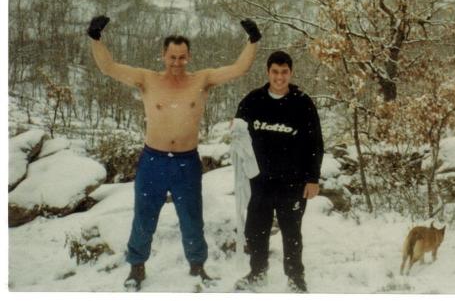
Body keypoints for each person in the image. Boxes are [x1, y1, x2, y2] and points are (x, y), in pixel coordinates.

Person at [87, 15, 261, 291]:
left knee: (192, 218)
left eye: (182, 57)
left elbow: (239, 68)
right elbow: (108, 67)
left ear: (188, 57)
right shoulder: (147, 79)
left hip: (186, 162)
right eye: (172, 57)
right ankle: (136, 267)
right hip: (153, 161)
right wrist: (95, 38)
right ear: (163, 56)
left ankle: (197, 266)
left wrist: (253, 40)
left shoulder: (202, 80)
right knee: (144, 217)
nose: (177, 63)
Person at [234, 50, 324, 293]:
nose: (279, 77)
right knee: (256, 230)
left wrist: (312, 179)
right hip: (260, 181)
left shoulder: (302, 103)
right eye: (275, 71)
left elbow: (316, 143)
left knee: (292, 232)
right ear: (268, 72)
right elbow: (238, 135)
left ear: (291, 73)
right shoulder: (253, 101)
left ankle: (295, 278)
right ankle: (257, 272)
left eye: (284, 72)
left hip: (292, 182)